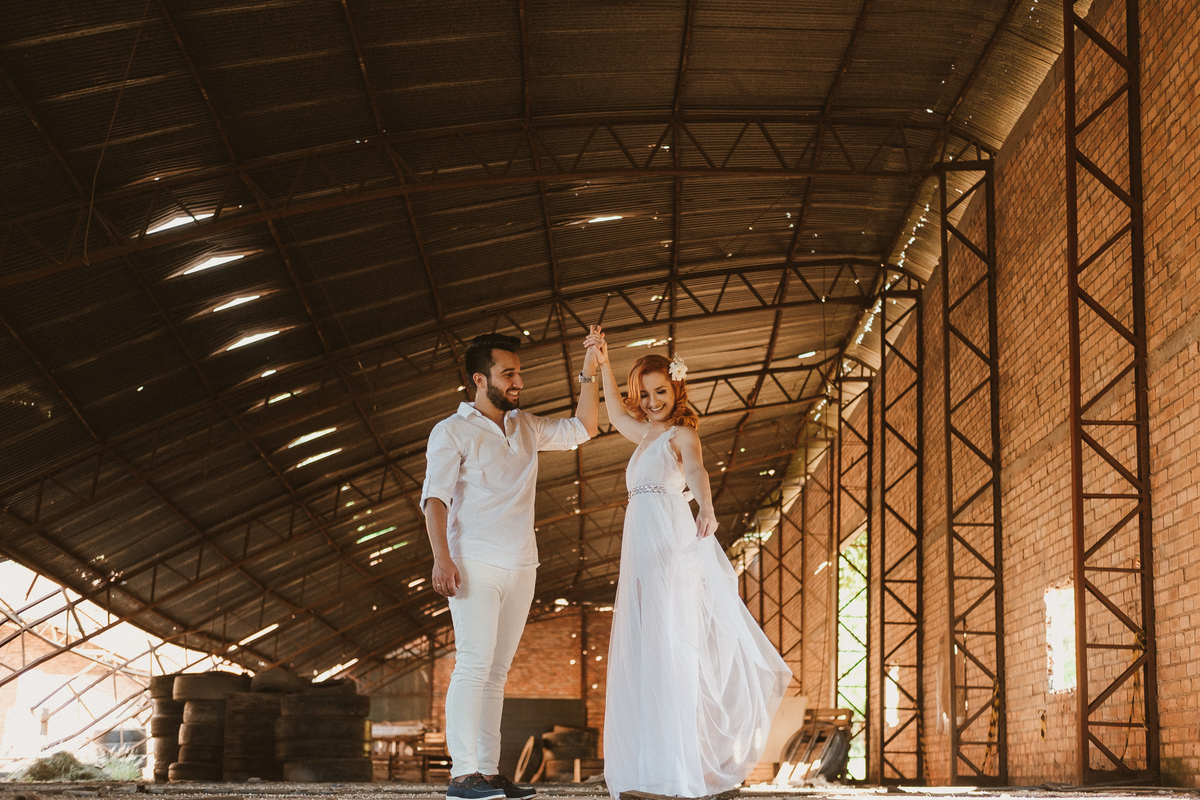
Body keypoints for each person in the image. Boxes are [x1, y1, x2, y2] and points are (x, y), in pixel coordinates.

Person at [584, 334, 792, 800]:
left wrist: (707, 507)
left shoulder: (682, 435)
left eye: (662, 391)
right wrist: (603, 362)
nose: (653, 401)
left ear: (677, 389)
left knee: (667, 651)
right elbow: (615, 412)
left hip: (667, 546)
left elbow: (696, 471)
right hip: (639, 550)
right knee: (646, 650)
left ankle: (674, 772)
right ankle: (647, 772)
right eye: (646, 393)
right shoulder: (645, 435)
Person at [422, 329, 603, 800]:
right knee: (473, 666)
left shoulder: (525, 426)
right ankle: (463, 774)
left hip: (523, 564)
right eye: (509, 373)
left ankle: (486, 769)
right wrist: (441, 557)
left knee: (497, 673)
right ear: (480, 380)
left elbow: (585, 427)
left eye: (519, 371)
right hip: (472, 561)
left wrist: (592, 368)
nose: (518, 379)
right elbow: (435, 499)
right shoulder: (451, 431)